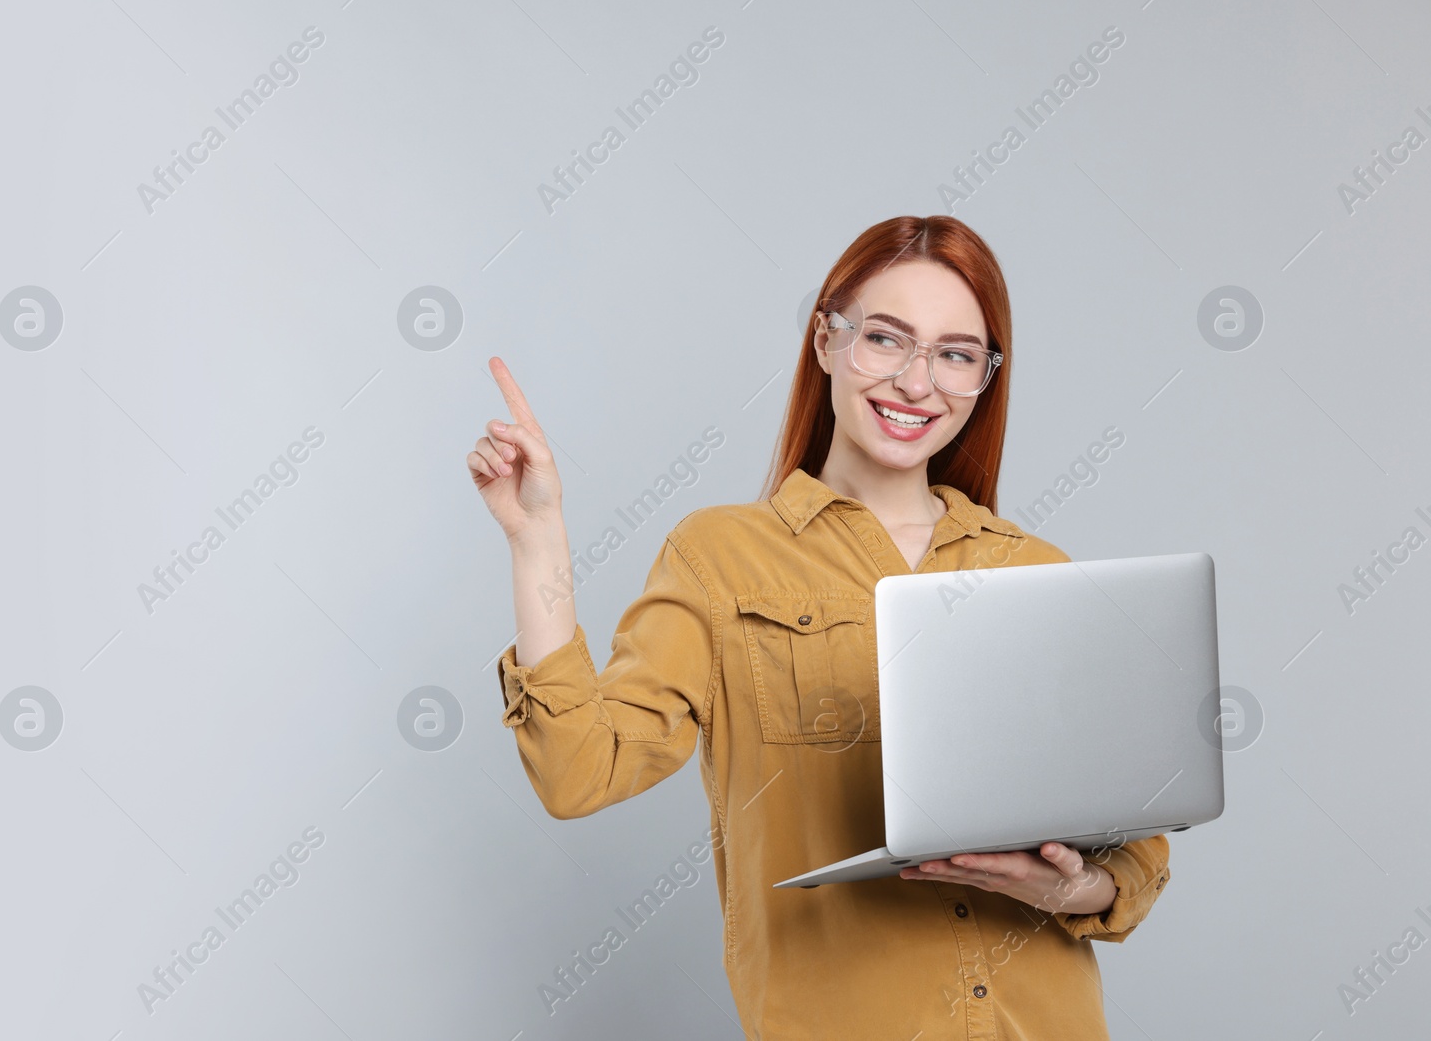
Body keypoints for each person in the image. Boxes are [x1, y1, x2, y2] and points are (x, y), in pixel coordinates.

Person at [467, 215, 1170, 1040]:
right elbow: (579, 771)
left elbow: (1135, 859)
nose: (917, 382)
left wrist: (1056, 886)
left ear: (985, 376)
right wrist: (536, 540)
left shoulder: (1039, 570)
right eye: (885, 339)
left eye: (954, 354)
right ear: (827, 340)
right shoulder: (721, 556)